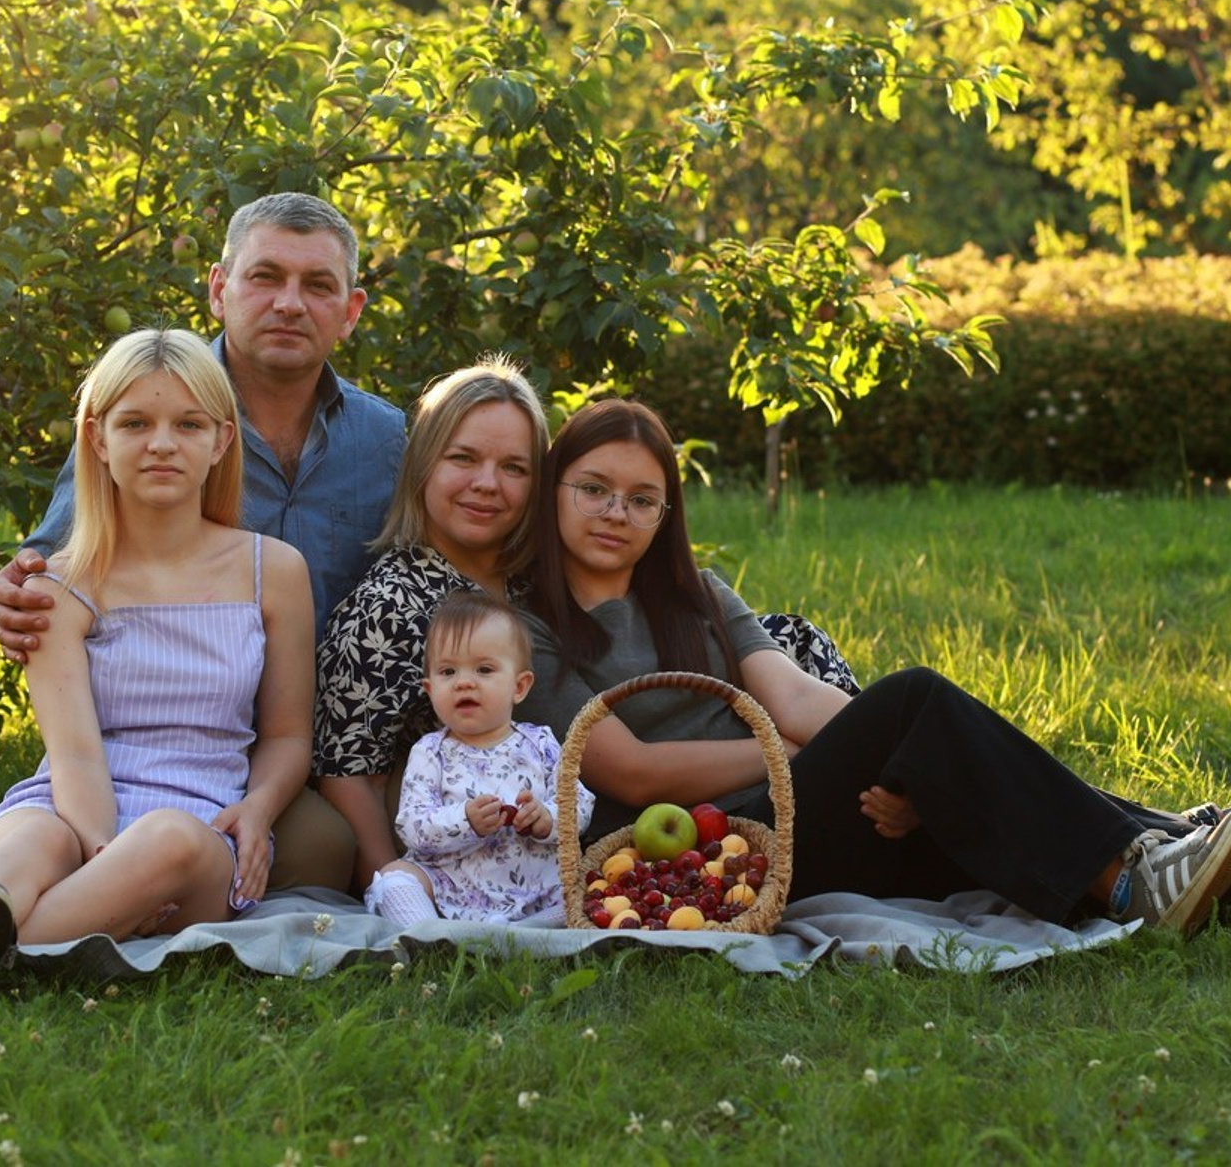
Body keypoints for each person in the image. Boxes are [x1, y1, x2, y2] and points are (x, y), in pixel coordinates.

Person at [516, 398, 1231, 936]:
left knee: (956, 799)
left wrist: (908, 762)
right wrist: (791, 752)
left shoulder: (697, 595)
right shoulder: (529, 628)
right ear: (555, 491)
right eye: (593, 489)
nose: (616, 512)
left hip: (797, 806)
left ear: (665, 514)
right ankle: (1138, 873)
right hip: (697, 856)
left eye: (642, 500)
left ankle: (1172, 850)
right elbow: (629, 770)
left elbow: (794, 696)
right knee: (914, 698)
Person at [0, 192, 406, 891]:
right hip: (126, 736)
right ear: (219, 289)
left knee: (325, 850)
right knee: (44, 842)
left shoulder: (386, 440)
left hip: (289, 746)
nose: (289, 304)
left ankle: (36, 920)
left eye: (318, 285)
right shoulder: (150, 413)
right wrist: (11, 590)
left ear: (351, 311)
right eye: (265, 277)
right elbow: (58, 558)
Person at [0, 329, 315, 993]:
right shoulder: (58, 586)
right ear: (97, 439)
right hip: (73, 806)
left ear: (221, 442)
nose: (161, 444)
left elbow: (289, 733)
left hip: (199, 829)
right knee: (31, 839)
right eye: (135, 423)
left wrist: (259, 809)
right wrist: (103, 866)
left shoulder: (274, 571)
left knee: (167, 838)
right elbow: (77, 758)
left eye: (188, 424)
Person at [313, 356, 550, 892]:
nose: (487, 483)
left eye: (514, 467)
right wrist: (391, 888)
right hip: (446, 851)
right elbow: (350, 779)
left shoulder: (536, 584)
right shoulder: (389, 606)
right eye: (462, 458)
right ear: (423, 465)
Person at [363, 590, 594, 924]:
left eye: (484, 670)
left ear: (519, 686)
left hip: (535, 890)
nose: (464, 683)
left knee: (583, 887)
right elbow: (412, 827)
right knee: (395, 876)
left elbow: (581, 804)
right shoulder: (430, 751)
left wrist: (547, 818)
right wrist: (464, 820)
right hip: (450, 885)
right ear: (430, 691)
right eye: (448, 672)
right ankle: (427, 934)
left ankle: (530, 929)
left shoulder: (540, 742)